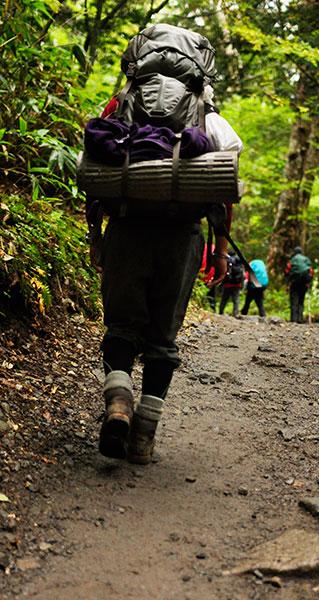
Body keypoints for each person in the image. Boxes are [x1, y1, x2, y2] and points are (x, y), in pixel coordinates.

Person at [84, 24, 243, 465]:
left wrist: (96, 232)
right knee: (163, 337)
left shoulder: (122, 101)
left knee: (120, 324)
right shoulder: (205, 110)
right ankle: (143, 438)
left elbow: (95, 162)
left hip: (127, 227)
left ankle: (118, 402)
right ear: (200, 70)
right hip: (181, 236)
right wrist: (222, 250)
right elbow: (225, 178)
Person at [285, 246, 313, 323]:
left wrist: (287, 283)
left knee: (294, 300)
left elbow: (287, 271)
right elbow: (311, 271)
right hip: (304, 282)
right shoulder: (306, 260)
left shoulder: (292, 260)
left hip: (294, 282)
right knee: (301, 300)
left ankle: (293, 319)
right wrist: (309, 282)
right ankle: (300, 319)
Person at [219, 251, 244, 317]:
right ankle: (235, 313)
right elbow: (242, 274)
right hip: (237, 284)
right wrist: (242, 285)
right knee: (236, 299)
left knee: (224, 299)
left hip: (227, 283)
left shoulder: (227, 260)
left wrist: (221, 284)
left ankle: (221, 312)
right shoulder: (238, 261)